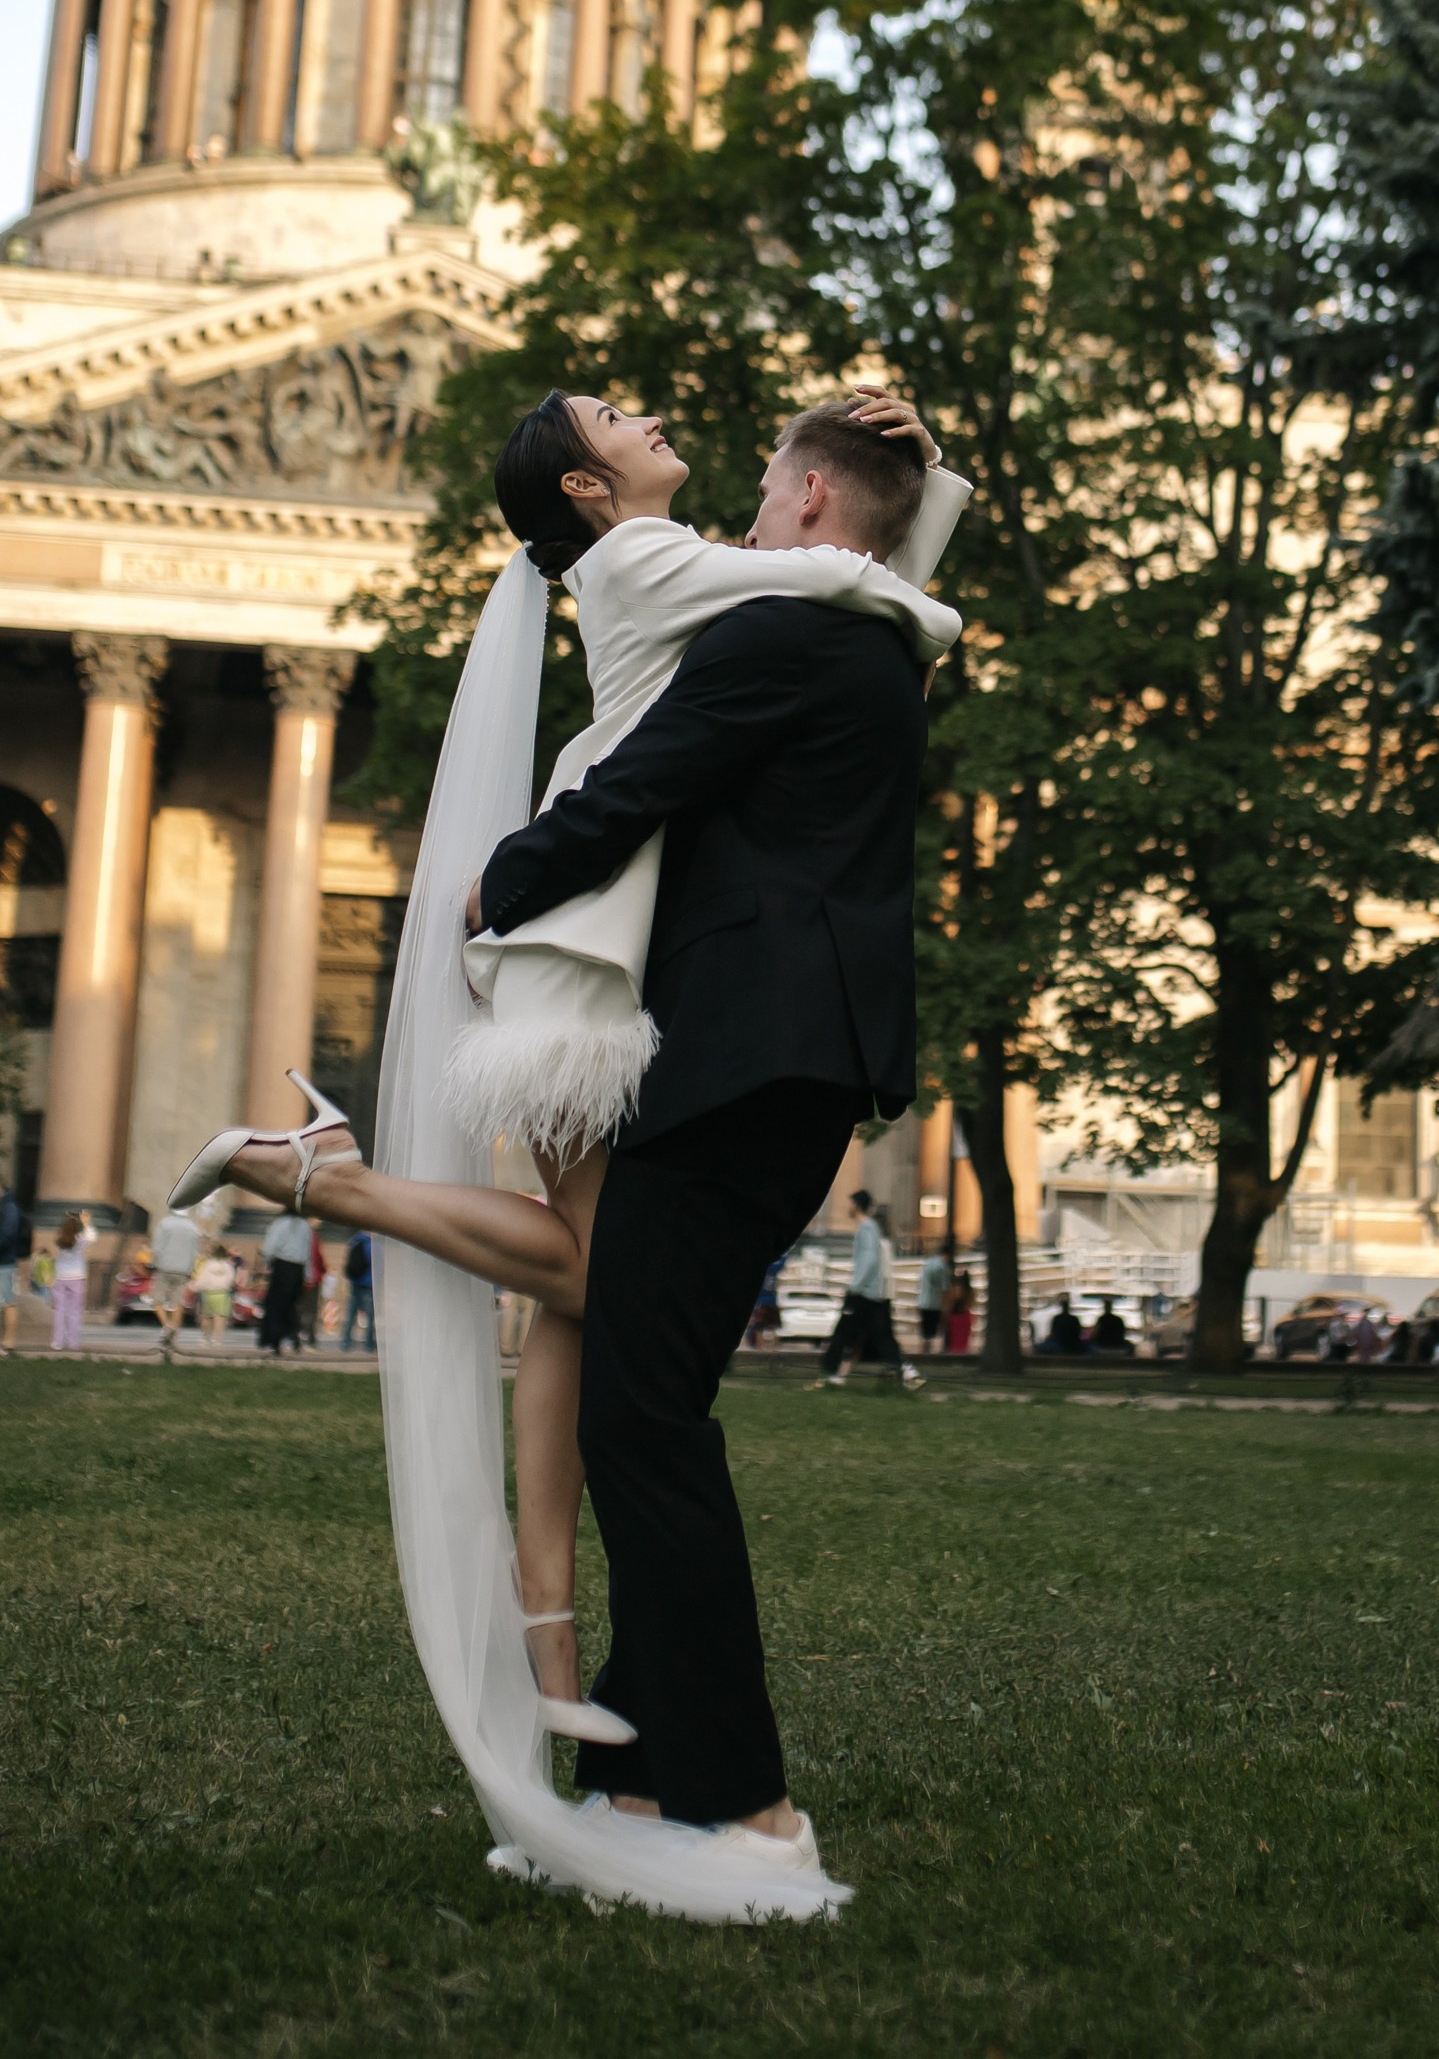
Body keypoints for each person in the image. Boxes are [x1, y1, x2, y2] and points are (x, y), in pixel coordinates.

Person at [175, 388, 965, 1920]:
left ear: (804, 510)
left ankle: (748, 1808)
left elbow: (636, 790)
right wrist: (905, 466)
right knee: (624, 1379)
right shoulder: (870, 631)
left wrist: (488, 892)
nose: (745, 517)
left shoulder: (774, 633)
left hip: (742, 1054)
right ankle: (640, 1773)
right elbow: (886, 556)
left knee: (642, 1422)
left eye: (766, 497)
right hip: (783, 1055)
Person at [819, 1191, 920, 1386]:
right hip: (872, 1293)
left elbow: (869, 1260)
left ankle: (832, 1374)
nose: (847, 1207)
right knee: (879, 1336)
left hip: (864, 1293)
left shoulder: (866, 1229)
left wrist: (855, 1286)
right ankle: (906, 1370)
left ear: (856, 1206)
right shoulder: (871, 1228)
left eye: (850, 1204)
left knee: (845, 1332)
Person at [149, 1203, 200, 1358]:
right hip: (183, 1269)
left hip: (165, 1267)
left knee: (157, 1300)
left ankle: (167, 1326)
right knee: (178, 1303)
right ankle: (173, 1339)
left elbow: (157, 1247)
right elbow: (194, 1251)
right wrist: (191, 1269)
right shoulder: (192, 1227)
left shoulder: (165, 1224)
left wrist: (155, 1263)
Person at [256, 1208, 309, 1354]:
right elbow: (307, 1251)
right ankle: (293, 1335)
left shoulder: (280, 1224)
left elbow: (270, 1247)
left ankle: (274, 1340)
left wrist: (266, 1261)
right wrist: (307, 1274)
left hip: (282, 1266)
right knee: (291, 1305)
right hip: (298, 1268)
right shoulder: (306, 1226)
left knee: (275, 1305)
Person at [49, 1211, 93, 1351]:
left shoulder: (60, 1241)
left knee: (59, 1310)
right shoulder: (81, 1240)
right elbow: (92, 1236)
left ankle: (57, 1341)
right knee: (74, 1311)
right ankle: (73, 1341)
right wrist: (87, 1223)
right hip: (77, 1277)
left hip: (61, 1276)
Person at [341, 1228, 376, 1352]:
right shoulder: (371, 1244)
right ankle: (369, 1344)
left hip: (355, 1283)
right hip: (368, 1283)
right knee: (369, 1316)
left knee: (351, 1315)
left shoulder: (354, 1241)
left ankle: (345, 1342)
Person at [195, 1242, 236, 1346]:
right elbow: (231, 1279)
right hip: (222, 1294)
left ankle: (205, 1338)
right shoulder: (228, 1265)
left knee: (206, 1317)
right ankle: (217, 1340)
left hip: (208, 1293)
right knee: (220, 1318)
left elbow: (202, 1279)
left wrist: (196, 1287)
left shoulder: (207, 1264)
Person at [0, 1176, 23, 1354]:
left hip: (4, 1263)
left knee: (7, 1303)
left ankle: (8, 1344)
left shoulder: (9, 1208)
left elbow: (6, 1236)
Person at [914, 1247, 948, 1354]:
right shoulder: (941, 1267)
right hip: (934, 1302)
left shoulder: (927, 1264)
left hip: (923, 1301)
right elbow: (943, 1288)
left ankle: (924, 1348)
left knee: (925, 1328)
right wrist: (945, 1304)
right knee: (931, 1328)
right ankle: (927, 1350)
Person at [943, 1266, 976, 1357]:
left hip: (956, 1317)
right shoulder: (970, 1291)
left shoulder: (954, 1290)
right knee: (962, 1341)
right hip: (965, 1316)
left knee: (955, 1341)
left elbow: (950, 1303)